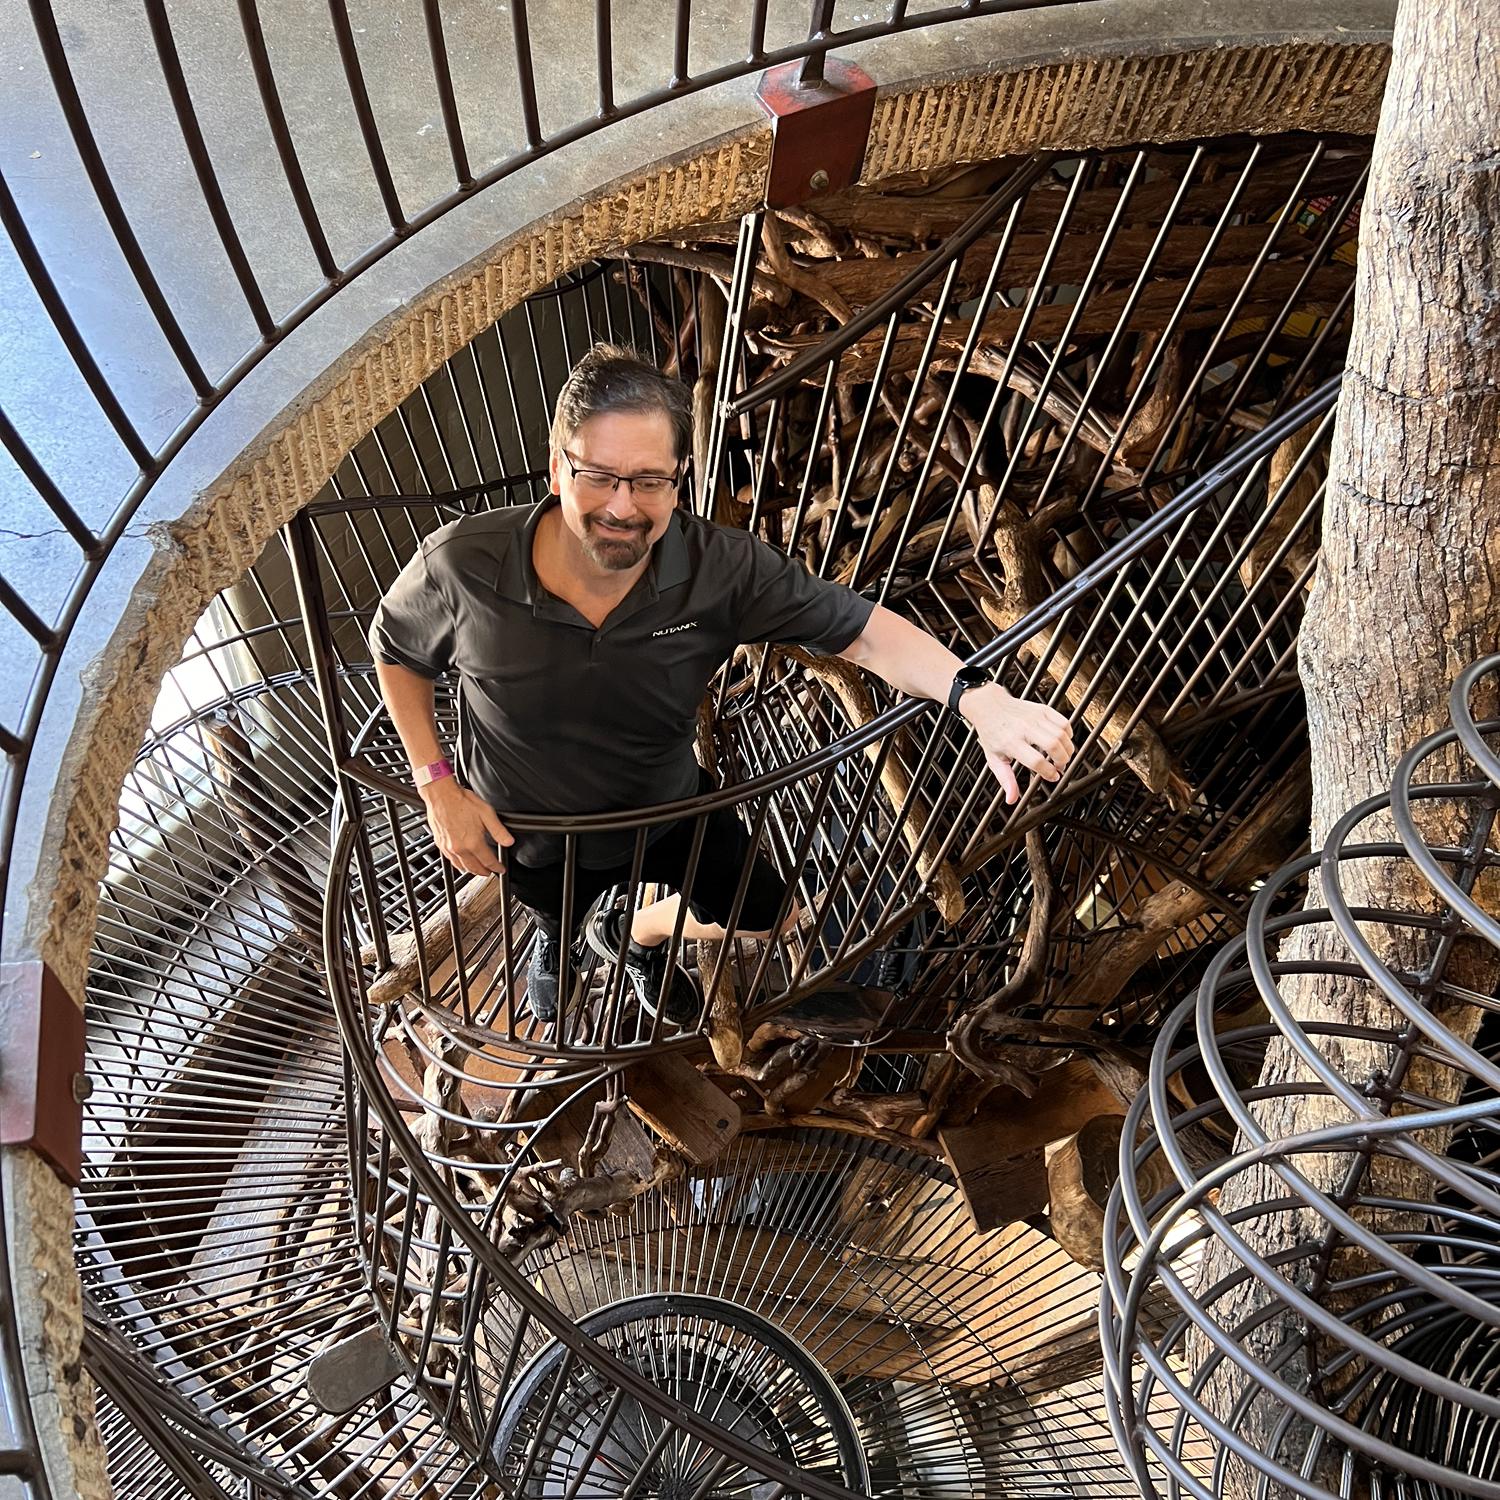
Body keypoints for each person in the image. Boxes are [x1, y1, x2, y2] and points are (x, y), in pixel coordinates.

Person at [369, 344, 1073, 1025]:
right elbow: (395, 648)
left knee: (769, 917)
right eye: (599, 476)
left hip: (673, 805)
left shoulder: (719, 569)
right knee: (553, 902)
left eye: (649, 480)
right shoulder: (463, 565)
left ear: (680, 478)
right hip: (532, 828)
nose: (623, 506)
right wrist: (436, 782)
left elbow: (860, 630)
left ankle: (629, 934)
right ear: (557, 469)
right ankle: (561, 933)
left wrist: (979, 698)